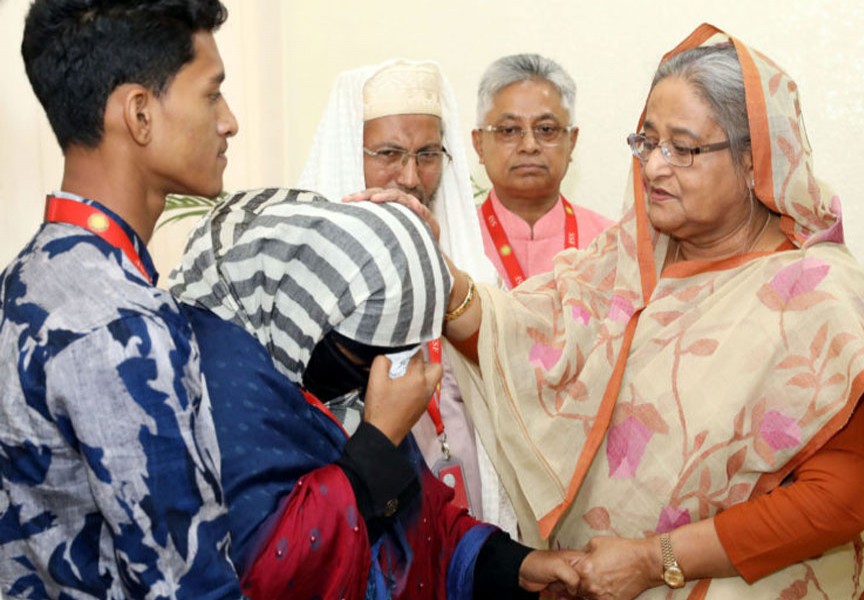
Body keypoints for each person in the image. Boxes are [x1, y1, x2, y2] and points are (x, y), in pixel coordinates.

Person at [380, 24, 864, 598]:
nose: (653, 167)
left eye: (684, 147)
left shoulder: (816, 293)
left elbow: (840, 497)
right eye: (647, 142)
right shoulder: (626, 262)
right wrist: (433, 269)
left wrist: (655, 560)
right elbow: (520, 344)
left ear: (756, 162)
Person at [168, 188, 582, 599]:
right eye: (364, 353)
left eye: (397, 354)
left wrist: (516, 566)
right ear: (306, 312)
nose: (380, 375)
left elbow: (423, 525)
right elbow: (265, 575)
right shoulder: (214, 381)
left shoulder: (328, 381)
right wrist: (377, 445)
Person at [0, 0, 242, 598]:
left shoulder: (25, 276)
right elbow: (186, 584)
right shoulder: (122, 322)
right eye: (211, 94)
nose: (229, 121)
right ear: (139, 113)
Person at [297, 60, 501, 523]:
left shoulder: (472, 266)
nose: (410, 177)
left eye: (428, 154)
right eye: (389, 154)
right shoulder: (302, 278)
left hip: (468, 524)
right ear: (352, 154)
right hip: (353, 514)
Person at [472, 54, 614, 289]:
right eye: (508, 130)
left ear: (572, 141)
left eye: (546, 129)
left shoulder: (610, 244)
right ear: (479, 145)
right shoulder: (453, 242)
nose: (529, 145)